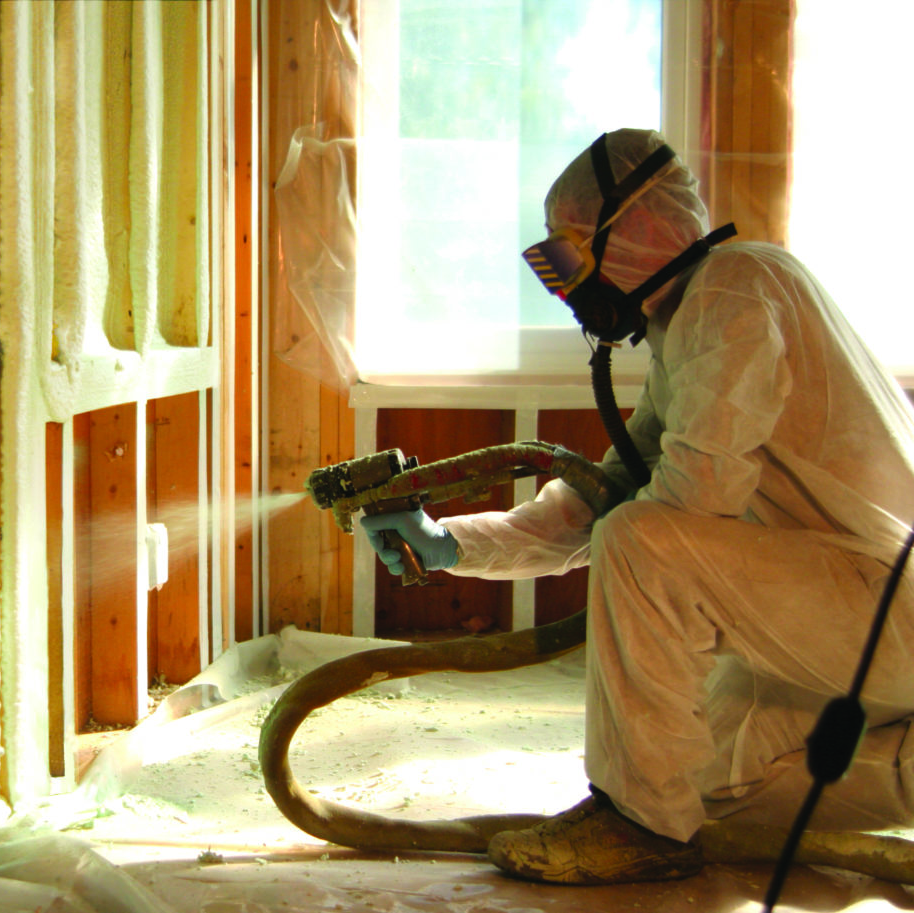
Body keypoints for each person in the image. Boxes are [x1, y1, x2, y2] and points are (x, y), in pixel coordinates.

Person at [360, 128, 914, 885]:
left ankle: (633, 823)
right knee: (710, 785)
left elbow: (682, 510)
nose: (566, 286)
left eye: (570, 254)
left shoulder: (738, 284)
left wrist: (617, 525)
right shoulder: (686, 330)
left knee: (644, 549)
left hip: (888, 602)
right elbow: (600, 506)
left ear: (644, 225)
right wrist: (451, 541)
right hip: (850, 613)